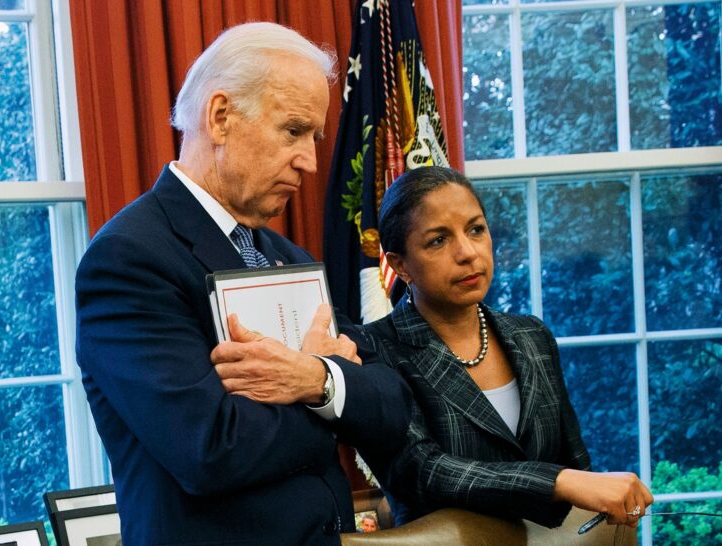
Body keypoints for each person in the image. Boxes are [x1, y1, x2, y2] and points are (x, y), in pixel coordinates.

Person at [75, 22, 411, 546]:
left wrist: (315, 378)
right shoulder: (128, 259)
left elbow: (393, 401)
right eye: (294, 131)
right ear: (220, 117)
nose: (310, 161)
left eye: (315, 138)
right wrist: (331, 395)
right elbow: (210, 449)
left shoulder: (288, 256)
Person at [353, 165, 653, 529]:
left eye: (476, 230)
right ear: (400, 266)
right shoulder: (373, 348)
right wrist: (557, 483)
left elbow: (578, 467)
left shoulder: (532, 336)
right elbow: (423, 472)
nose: (468, 252)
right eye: (439, 240)